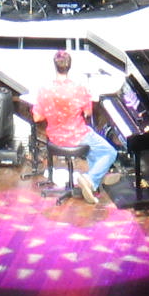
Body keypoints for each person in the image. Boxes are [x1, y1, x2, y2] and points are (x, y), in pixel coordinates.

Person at [31, 50, 116, 205]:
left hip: (55, 138)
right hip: (77, 136)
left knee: (94, 149)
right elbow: (88, 113)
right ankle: (90, 180)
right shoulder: (78, 88)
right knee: (110, 152)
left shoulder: (44, 90)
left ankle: (94, 181)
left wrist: (52, 112)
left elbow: (37, 117)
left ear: (55, 66)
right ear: (69, 66)